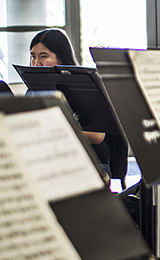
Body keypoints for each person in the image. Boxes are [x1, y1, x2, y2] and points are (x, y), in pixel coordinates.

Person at [29, 28, 112, 175]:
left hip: (90, 163)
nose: (36, 63)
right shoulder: (33, 90)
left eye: (43, 56)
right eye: (33, 56)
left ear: (61, 58)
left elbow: (97, 136)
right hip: (50, 161)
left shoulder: (83, 86)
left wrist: (53, 134)